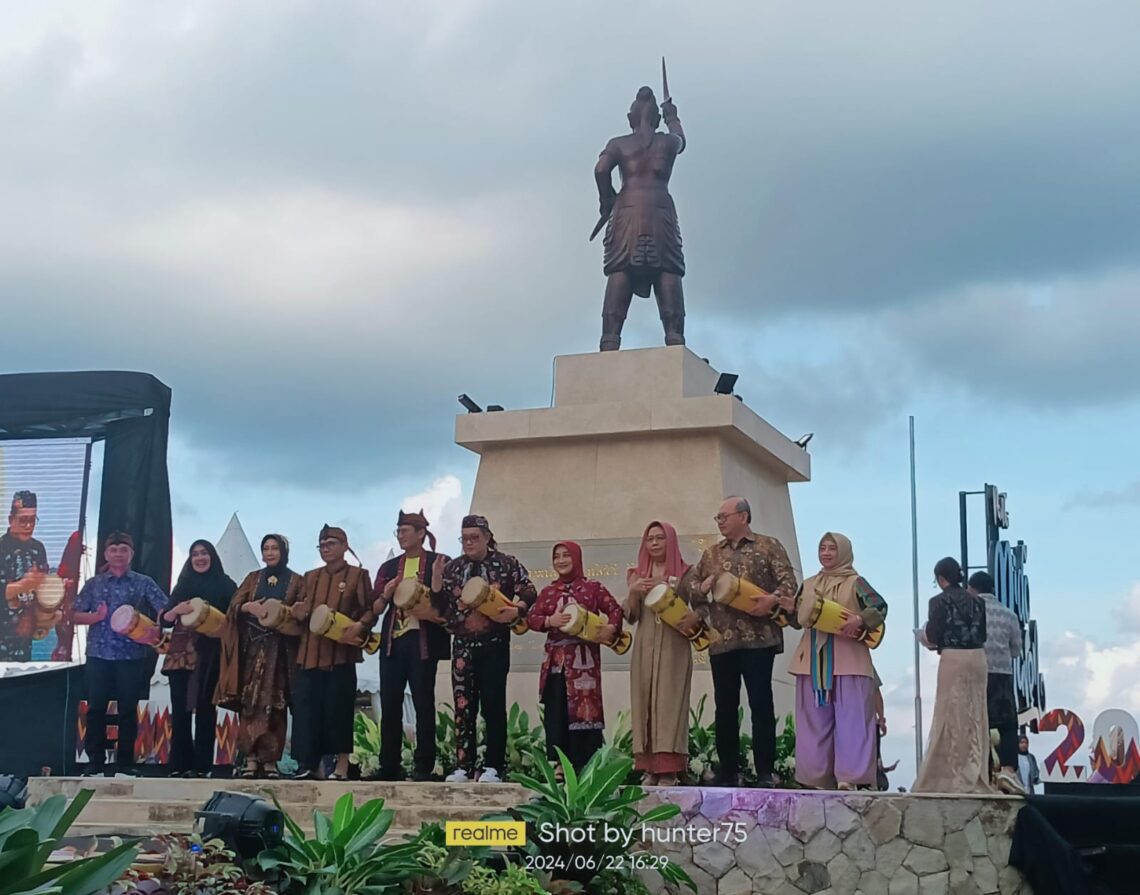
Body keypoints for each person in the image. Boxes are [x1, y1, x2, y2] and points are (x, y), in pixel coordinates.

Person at [679, 496, 798, 787]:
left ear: (743, 517)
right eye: (717, 517)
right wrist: (702, 587)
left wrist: (772, 598)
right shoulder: (710, 554)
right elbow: (691, 589)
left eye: (724, 516)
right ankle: (728, 771)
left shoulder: (768, 546)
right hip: (722, 640)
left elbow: (788, 585)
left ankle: (765, 772)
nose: (719, 521)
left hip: (760, 639)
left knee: (761, 703)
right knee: (725, 706)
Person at [438, 514, 537, 783]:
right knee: (463, 705)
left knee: (493, 704)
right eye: (464, 538)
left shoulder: (506, 564)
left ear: (487, 537)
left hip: (495, 645)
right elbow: (443, 607)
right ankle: (463, 765)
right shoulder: (453, 568)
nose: (469, 543)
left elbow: (529, 590)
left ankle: (494, 765)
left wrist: (517, 609)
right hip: (462, 648)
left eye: (474, 538)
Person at [790, 533, 887, 791]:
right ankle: (815, 778)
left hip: (849, 659)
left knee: (852, 720)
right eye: (822, 548)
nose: (826, 552)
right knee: (812, 720)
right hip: (812, 661)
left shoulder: (857, 583)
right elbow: (794, 617)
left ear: (843, 552)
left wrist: (860, 619)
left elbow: (879, 606)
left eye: (832, 548)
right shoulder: (809, 584)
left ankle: (850, 778)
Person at [595, 85, 687, 350]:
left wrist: (606, 200)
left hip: (627, 210)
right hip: (660, 210)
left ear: (630, 118)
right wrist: (672, 116)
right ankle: (675, 339)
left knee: (621, 269)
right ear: (657, 119)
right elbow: (681, 139)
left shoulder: (618, 144)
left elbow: (601, 169)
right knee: (668, 270)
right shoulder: (668, 143)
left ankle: (609, 340)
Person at [73, 532, 168, 777]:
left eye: (123, 549)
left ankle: (125, 763)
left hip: (132, 654)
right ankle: (95, 762)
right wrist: (96, 617)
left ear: (131, 554)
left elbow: (164, 608)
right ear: (106, 554)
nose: (118, 554)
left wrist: (157, 627)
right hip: (99, 653)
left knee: (128, 709)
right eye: (113, 549)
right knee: (96, 709)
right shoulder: (95, 583)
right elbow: (73, 614)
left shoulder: (142, 582)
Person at [527, 541, 624, 775]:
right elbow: (531, 617)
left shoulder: (592, 588)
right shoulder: (549, 592)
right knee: (557, 709)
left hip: (584, 662)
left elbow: (615, 610)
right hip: (556, 663)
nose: (561, 560)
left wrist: (611, 628)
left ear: (577, 558)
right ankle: (561, 764)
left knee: (585, 711)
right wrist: (550, 621)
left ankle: (587, 763)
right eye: (557, 556)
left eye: (566, 555)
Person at [287, 524, 375, 780]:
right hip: (309, 653)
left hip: (341, 655)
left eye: (331, 544)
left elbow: (369, 608)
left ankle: (341, 767)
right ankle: (311, 767)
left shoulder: (358, 575)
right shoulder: (310, 576)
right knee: (307, 710)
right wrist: (298, 611)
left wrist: (359, 625)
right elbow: (298, 608)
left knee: (338, 710)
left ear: (345, 546)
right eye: (322, 546)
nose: (326, 549)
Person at [371, 510, 450, 781]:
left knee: (423, 703)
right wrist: (387, 593)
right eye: (399, 531)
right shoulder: (389, 567)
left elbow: (445, 607)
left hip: (423, 641)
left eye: (405, 530)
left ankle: (424, 765)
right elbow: (376, 607)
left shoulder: (439, 562)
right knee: (390, 704)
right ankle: (389, 765)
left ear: (421, 534)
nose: (401, 535)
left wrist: (437, 582)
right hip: (393, 642)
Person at [215, 533, 300, 779]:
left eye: (275, 548)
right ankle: (251, 759)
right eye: (266, 548)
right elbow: (233, 606)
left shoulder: (296, 580)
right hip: (252, 651)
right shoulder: (252, 579)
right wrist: (247, 607)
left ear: (283, 551)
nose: (270, 552)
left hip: (281, 652)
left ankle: (271, 761)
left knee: (276, 704)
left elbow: (303, 611)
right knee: (250, 704)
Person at [623, 521, 696, 785]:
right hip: (644, 646)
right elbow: (630, 615)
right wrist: (632, 590)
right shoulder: (638, 574)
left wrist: (667, 588)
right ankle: (650, 767)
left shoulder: (687, 573)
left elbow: (698, 608)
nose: (653, 543)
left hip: (673, 647)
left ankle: (670, 768)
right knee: (645, 702)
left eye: (659, 538)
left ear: (671, 541)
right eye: (649, 539)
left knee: (669, 704)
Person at [913, 557, 994, 794]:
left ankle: (951, 775)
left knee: (950, 714)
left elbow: (935, 635)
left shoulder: (938, 601)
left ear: (940, 578)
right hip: (978, 659)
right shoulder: (978, 602)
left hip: (953, 658)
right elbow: (982, 633)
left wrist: (923, 637)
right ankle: (976, 772)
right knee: (976, 715)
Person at [161, 540, 236, 778]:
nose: (200, 558)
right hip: (181, 656)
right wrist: (176, 610)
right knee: (180, 710)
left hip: (211, 654)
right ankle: (179, 765)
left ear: (213, 556)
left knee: (205, 709)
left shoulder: (225, 584)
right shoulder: (183, 584)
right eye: (195, 554)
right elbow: (165, 619)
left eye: (204, 553)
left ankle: (202, 767)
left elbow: (235, 619)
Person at [968, 570, 1025, 794]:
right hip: (1002, 675)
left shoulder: (971, 611)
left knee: (976, 724)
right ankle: (1008, 770)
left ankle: (980, 772)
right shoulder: (1008, 614)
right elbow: (1016, 649)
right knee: (1008, 725)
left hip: (976, 672)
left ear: (972, 589)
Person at [0, 491, 52, 662]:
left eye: (32, 520)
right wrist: (23, 585)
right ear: (10, 519)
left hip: (24, 639)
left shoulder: (38, 549)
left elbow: (41, 591)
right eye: (23, 520)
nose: (28, 525)